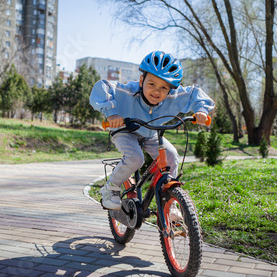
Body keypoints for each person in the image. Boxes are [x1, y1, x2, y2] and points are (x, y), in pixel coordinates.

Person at [89, 51, 215, 210]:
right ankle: (111, 187)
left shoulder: (173, 97)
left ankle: (170, 202)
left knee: (170, 156)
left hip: (150, 133)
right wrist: (111, 113)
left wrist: (202, 110)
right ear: (141, 80)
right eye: (152, 84)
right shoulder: (128, 91)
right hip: (125, 130)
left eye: (164, 87)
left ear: (170, 90)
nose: (157, 91)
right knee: (135, 158)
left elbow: (194, 94)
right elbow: (103, 87)